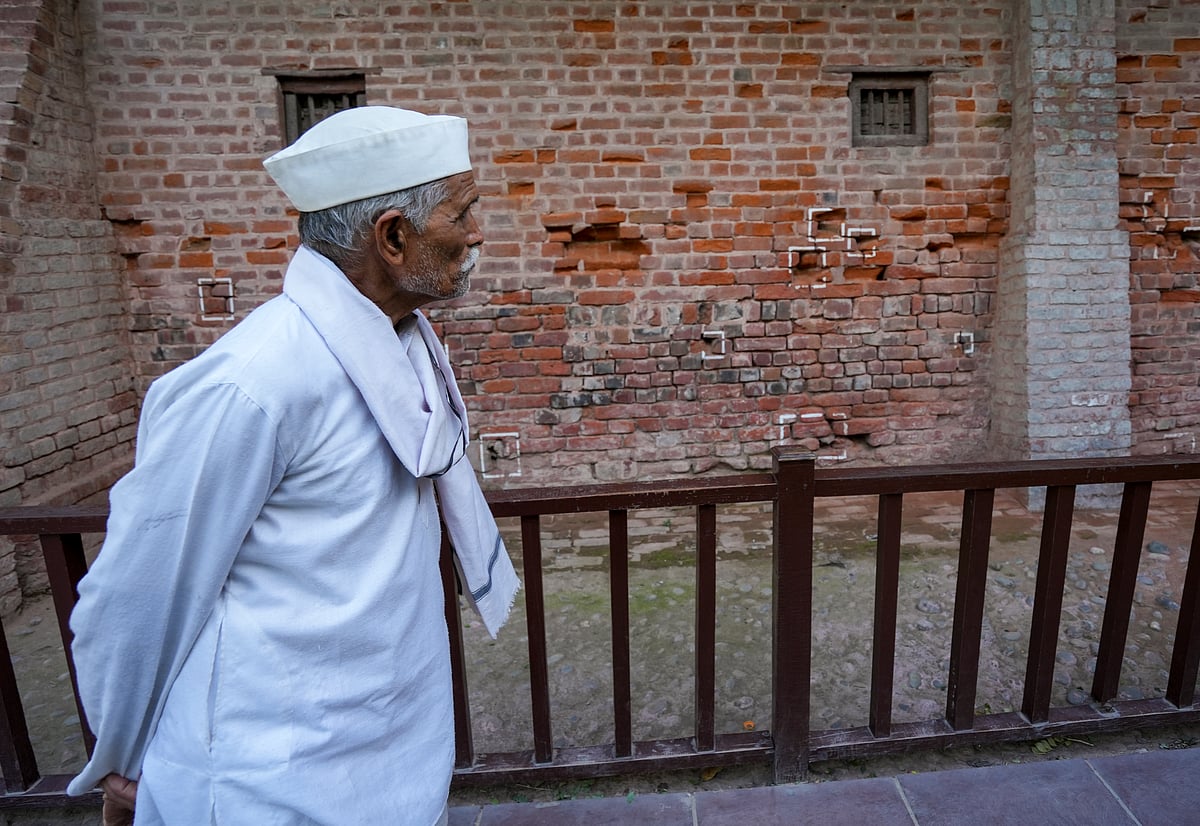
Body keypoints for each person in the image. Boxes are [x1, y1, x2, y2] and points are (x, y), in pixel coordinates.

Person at [66, 106, 519, 826]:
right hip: (268, 785)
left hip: (389, 752)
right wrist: (123, 757)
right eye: (462, 212)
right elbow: (137, 595)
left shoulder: (405, 347)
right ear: (394, 236)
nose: (476, 233)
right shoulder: (252, 382)